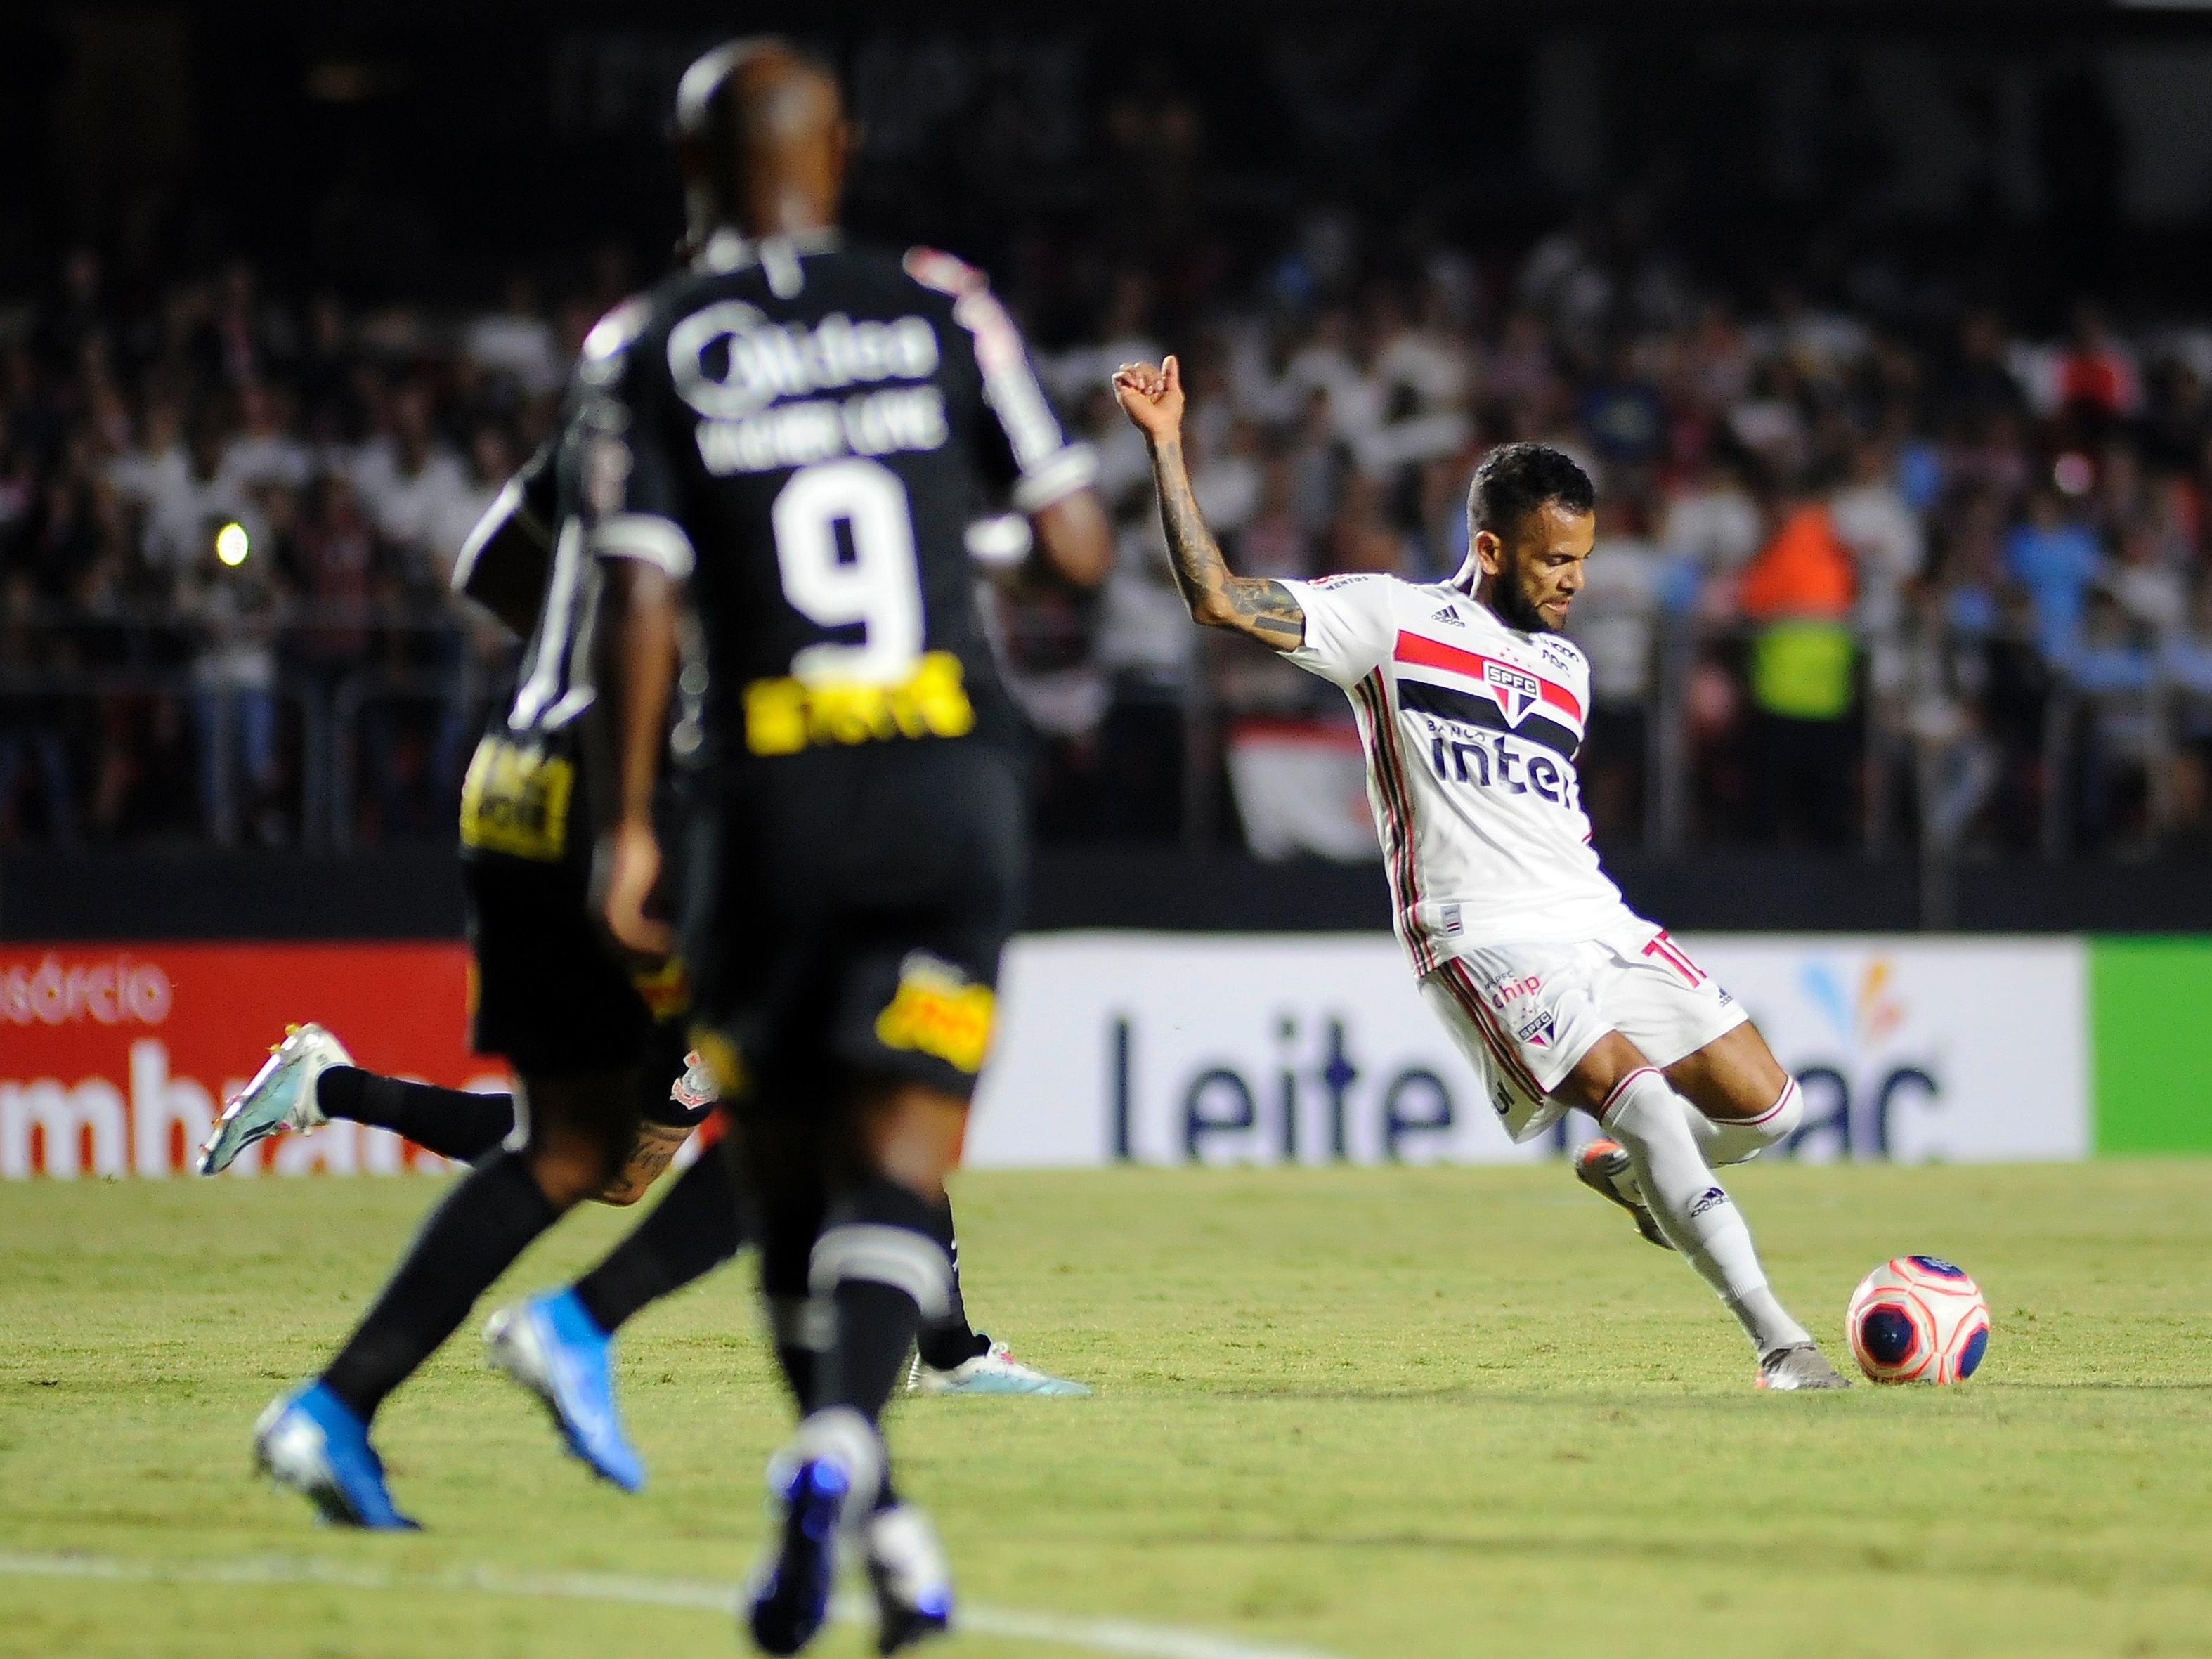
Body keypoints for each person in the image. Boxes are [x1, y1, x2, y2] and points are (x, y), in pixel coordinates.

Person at [587, 39, 1112, 1655]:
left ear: (691, 179)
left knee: (783, 1162)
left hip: (768, 801)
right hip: (953, 794)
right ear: (846, 151)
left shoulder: (653, 343)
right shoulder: (943, 300)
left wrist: (620, 823)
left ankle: (846, 1467)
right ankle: (855, 1477)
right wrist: (970, 534)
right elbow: (1080, 547)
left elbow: (641, 594)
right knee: (901, 1150)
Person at [1112, 356, 1847, 1393]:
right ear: (1491, 546)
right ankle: (1783, 1342)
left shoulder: (1568, 669)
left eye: (1583, 558)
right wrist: (1167, 445)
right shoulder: (1389, 620)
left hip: (1596, 916)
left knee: (1772, 1110)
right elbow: (1219, 599)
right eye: (1553, 559)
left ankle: (1640, 1181)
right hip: (1479, 931)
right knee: (1633, 1093)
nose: (1573, 580)